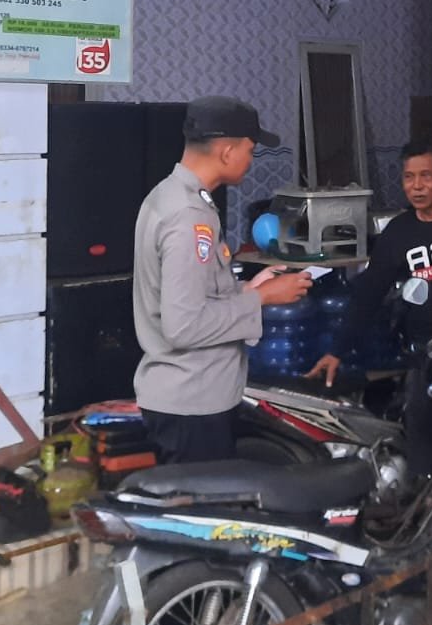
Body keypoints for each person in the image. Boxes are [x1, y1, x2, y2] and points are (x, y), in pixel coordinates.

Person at [304, 139, 432, 473]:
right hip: (427, 352)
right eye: (408, 177)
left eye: (426, 176)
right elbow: (369, 294)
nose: (416, 186)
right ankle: (427, 493)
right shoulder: (398, 233)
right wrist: (337, 350)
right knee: (423, 437)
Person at [133, 96, 311, 464]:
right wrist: (262, 299)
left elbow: (195, 293)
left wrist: (248, 288)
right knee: (198, 499)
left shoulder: (169, 196)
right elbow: (184, 326)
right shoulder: (189, 217)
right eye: (250, 150)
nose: (251, 159)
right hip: (192, 404)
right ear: (227, 151)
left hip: (188, 399)